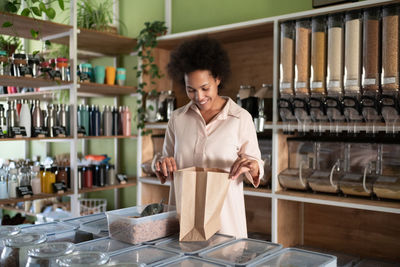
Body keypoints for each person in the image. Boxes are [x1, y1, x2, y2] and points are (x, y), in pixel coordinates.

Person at [155, 36, 264, 238]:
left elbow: (256, 165)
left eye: (205, 88)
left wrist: (253, 166)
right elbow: (165, 162)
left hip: (226, 224)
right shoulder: (177, 119)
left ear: (218, 78)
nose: (199, 97)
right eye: (191, 90)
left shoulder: (240, 118)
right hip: (183, 223)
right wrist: (162, 164)